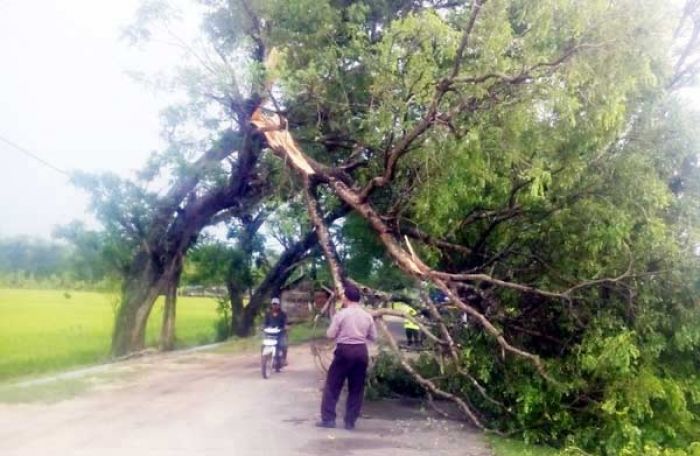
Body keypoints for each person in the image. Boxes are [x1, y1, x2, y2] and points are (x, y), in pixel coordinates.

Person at [317, 282, 377, 430]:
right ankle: (350, 421)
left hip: (344, 351)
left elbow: (330, 334)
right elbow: (374, 336)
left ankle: (328, 419)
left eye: (343, 297)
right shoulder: (367, 316)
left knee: (332, 385)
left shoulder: (341, 315)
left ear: (347, 298)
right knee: (356, 388)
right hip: (361, 352)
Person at [263, 297, 288, 365]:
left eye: (276, 304)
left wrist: (285, 327)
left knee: (283, 344)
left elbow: (285, 323)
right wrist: (264, 327)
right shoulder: (268, 314)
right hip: (270, 333)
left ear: (279, 305)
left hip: (280, 332)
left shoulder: (283, 314)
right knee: (263, 344)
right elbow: (265, 323)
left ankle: (284, 359)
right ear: (271, 305)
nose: (274, 306)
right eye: (273, 304)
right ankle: (265, 357)